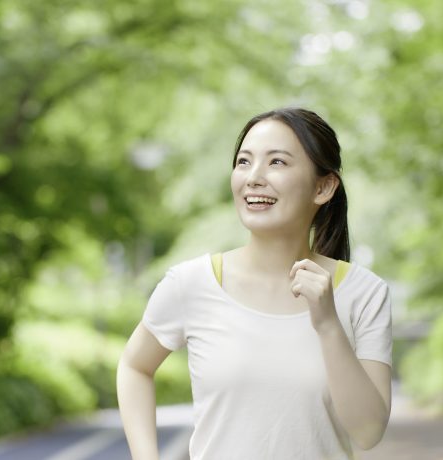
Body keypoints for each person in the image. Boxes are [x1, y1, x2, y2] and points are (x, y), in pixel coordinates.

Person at [117, 107, 392, 460]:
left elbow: (368, 432)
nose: (254, 177)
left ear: (323, 187)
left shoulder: (364, 293)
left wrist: (327, 324)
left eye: (277, 162)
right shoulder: (192, 283)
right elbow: (134, 366)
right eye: (244, 162)